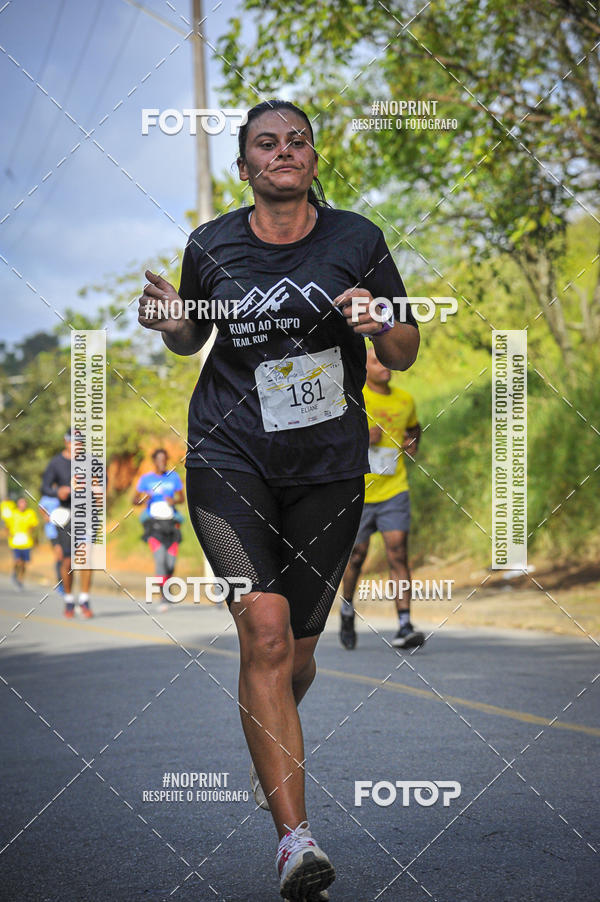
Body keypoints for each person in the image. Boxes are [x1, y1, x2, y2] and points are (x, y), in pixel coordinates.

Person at [138, 99, 419, 901]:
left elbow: (404, 343)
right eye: (267, 142)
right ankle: (295, 841)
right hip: (228, 457)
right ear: (245, 166)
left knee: (293, 654)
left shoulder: (356, 240)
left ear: (313, 161)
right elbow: (194, 334)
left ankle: (269, 723)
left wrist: (378, 324)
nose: (284, 150)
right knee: (262, 633)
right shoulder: (212, 243)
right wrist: (169, 320)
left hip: (328, 466)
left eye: (297, 140)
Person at [339, 347, 424, 651]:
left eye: (385, 360)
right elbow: (331, 440)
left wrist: (413, 442)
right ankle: (347, 608)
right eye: (376, 361)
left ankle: (404, 624)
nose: (384, 365)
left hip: (393, 489)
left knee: (397, 552)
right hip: (359, 492)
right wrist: (361, 437)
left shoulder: (404, 400)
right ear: (363, 366)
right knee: (356, 556)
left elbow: (414, 429)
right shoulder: (352, 398)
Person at [40, 430, 93, 618]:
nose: (76, 445)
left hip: (85, 514)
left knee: (87, 558)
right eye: (73, 441)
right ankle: (69, 600)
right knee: (67, 560)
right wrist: (58, 492)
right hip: (65, 516)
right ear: (66, 442)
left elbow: (103, 482)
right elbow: (44, 487)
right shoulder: (56, 463)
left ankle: (85, 600)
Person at [133, 448, 184, 524]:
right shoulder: (146, 479)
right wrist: (144, 499)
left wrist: (173, 501)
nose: (163, 463)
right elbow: (134, 500)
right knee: (143, 519)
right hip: (151, 512)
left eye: (164, 460)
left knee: (180, 519)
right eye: (160, 460)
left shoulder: (173, 476)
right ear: (154, 461)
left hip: (169, 511)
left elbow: (182, 499)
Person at [1, 496, 38, 589]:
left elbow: (34, 525)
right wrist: (9, 534)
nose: (22, 505)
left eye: (24, 503)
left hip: (26, 542)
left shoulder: (30, 513)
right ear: (18, 504)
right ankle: (15, 573)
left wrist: (30, 530)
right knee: (18, 561)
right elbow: (7, 526)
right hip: (15, 542)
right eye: (21, 503)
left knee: (24, 563)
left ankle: (20, 579)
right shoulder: (13, 514)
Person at [38, 494, 65, 595]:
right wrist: (46, 515)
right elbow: (41, 507)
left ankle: (66, 581)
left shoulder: (65, 492)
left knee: (66, 557)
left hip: (65, 530)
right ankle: (60, 583)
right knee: (59, 555)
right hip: (52, 531)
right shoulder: (47, 496)